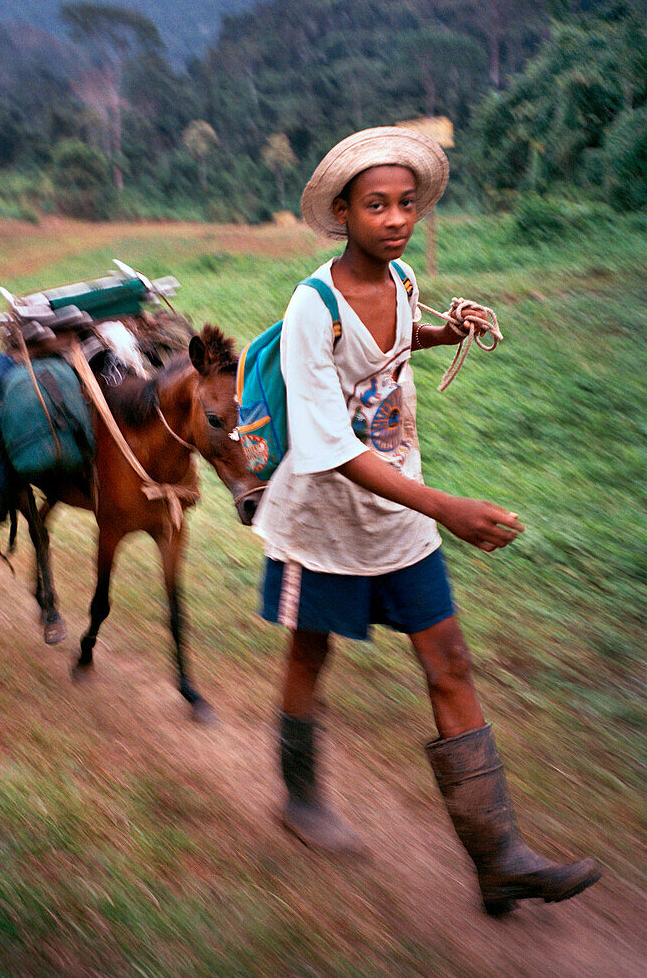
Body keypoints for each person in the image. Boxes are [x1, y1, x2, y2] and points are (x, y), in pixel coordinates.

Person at [252, 127, 601, 916]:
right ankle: (299, 796)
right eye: (375, 205)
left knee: (449, 663)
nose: (394, 218)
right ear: (341, 212)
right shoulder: (312, 307)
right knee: (310, 655)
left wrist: (445, 329)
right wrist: (448, 507)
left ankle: (496, 856)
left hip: (399, 518)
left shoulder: (404, 279)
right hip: (326, 522)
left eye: (406, 203)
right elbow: (328, 447)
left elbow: (396, 340)